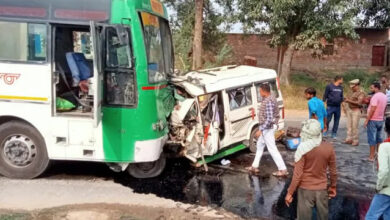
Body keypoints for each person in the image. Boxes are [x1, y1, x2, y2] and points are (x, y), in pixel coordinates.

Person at [285, 119, 337, 220]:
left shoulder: (302, 149)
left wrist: (290, 193)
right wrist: (333, 186)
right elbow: (333, 171)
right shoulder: (329, 148)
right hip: (322, 189)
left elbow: (297, 175)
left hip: (305, 191)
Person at [246, 83, 288, 177]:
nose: (259, 92)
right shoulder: (270, 97)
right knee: (260, 146)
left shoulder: (268, 101)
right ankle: (254, 166)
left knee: (272, 149)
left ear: (264, 91)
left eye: (260, 91)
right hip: (267, 128)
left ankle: (282, 169)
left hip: (268, 129)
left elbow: (269, 119)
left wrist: (260, 129)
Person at [365, 117, 390, 219]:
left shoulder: (384, 146)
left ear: (385, 129)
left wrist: (378, 187)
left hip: (386, 189)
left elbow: (384, 171)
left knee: (371, 216)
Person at [364, 82, 387, 161]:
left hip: (373, 120)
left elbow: (373, 109)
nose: (371, 89)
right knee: (379, 139)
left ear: (376, 88)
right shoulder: (384, 96)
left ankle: (371, 156)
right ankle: (378, 155)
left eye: (372, 88)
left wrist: (367, 120)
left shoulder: (375, 97)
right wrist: (383, 116)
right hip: (380, 120)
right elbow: (385, 108)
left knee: (372, 139)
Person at [343, 79, 365, 146]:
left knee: (355, 126)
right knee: (349, 126)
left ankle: (355, 140)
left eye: (353, 86)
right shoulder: (351, 92)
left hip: (356, 111)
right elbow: (347, 99)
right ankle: (349, 139)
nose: (352, 87)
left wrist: (348, 101)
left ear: (357, 85)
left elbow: (359, 103)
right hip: (349, 110)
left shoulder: (361, 93)